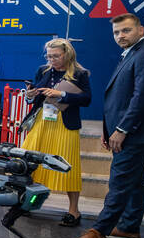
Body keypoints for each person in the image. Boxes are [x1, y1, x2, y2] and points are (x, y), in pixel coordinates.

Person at [74, 13, 144, 238]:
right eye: (116, 32)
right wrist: (109, 129)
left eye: (126, 30)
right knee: (134, 179)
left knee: (120, 180)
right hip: (127, 129)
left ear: (141, 30)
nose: (120, 36)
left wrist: (122, 129)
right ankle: (129, 228)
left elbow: (142, 98)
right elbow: (121, 97)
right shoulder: (133, 53)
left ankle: (100, 231)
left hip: (136, 131)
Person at [20, 38, 92, 227]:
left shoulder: (79, 74)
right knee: (31, 162)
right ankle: (27, 202)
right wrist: (29, 96)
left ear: (67, 54)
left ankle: (74, 211)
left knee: (67, 165)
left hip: (65, 124)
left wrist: (62, 94)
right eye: (49, 56)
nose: (51, 60)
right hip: (41, 121)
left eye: (56, 56)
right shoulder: (43, 71)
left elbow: (86, 99)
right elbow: (34, 96)